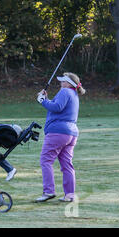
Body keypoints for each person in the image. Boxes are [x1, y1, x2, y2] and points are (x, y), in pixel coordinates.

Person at [35, 72, 86, 202]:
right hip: (71, 133)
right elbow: (58, 106)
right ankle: (69, 195)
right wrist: (47, 100)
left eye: (63, 81)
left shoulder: (65, 91)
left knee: (46, 160)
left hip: (58, 132)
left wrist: (43, 101)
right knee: (67, 165)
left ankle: (48, 192)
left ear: (68, 83)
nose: (61, 83)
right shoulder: (73, 94)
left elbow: (57, 108)